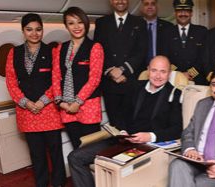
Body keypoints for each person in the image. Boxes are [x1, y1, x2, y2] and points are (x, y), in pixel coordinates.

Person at [68, 56, 183, 187]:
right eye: (154, 70)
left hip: (147, 146)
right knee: (75, 157)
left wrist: (149, 136)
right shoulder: (134, 87)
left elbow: (177, 129)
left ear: (169, 73)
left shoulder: (175, 94)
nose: (158, 76)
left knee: (117, 169)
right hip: (123, 140)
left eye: (163, 71)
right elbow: (120, 114)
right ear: (148, 71)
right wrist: (122, 131)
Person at [5, 13, 66, 187]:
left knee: (55, 150)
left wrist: (42, 101)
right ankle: (41, 183)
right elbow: (10, 81)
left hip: (48, 111)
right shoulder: (13, 53)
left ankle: (59, 183)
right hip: (27, 111)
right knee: (36, 152)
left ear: (42, 30)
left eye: (38, 29)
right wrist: (26, 102)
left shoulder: (52, 51)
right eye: (29, 29)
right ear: (23, 31)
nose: (34, 33)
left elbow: (57, 80)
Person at [52, 7, 104, 149]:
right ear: (66, 26)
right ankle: (80, 172)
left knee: (92, 149)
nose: (76, 27)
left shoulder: (94, 47)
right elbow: (56, 76)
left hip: (88, 106)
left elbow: (94, 79)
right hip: (66, 107)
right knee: (77, 148)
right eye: (71, 23)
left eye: (80, 22)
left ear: (86, 23)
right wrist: (59, 101)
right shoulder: (60, 48)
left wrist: (77, 102)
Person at [94, 0, 148, 128]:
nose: (120, 1)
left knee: (132, 124)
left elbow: (142, 51)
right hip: (110, 83)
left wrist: (123, 70)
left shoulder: (139, 22)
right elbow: (98, 51)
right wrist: (111, 71)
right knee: (114, 125)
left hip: (131, 81)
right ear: (111, 2)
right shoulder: (102, 23)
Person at [162, 0, 208, 85]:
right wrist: (179, 74)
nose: (183, 14)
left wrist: (191, 73)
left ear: (191, 13)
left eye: (186, 11)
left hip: (197, 79)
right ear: (175, 13)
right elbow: (165, 57)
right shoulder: (166, 32)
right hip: (174, 79)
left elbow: (204, 57)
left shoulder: (202, 31)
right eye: (179, 11)